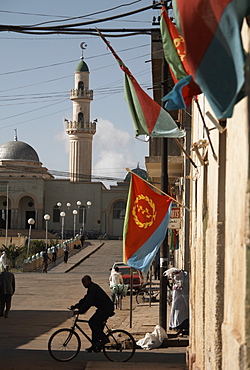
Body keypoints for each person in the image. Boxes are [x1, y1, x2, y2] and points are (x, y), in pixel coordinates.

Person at [71, 275, 115, 352]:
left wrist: (80, 311)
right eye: (82, 283)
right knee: (96, 326)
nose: (84, 284)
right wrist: (75, 306)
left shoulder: (93, 288)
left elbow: (89, 302)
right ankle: (95, 345)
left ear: (89, 281)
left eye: (84, 282)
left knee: (92, 322)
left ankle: (105, 339)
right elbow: (85, 299)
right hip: (103, 308)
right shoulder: (91, 288)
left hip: (106, 309)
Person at [163, 267, 189, 335]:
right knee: (177, 314)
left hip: (182, 302)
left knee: (182, 314)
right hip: (177, 302)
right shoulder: (176, 286)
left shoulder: (184, 282)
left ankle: (181, 328)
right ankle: (178, 328)